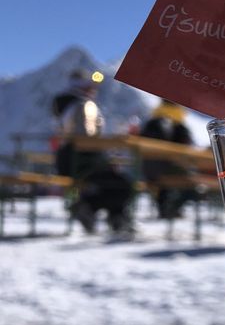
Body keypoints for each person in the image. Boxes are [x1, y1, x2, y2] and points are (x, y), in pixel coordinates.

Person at [53, 69, 134, 234]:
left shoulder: (65, 105)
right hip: (81, 159)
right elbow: (88, 138)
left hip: (69, 158)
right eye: (90, 86)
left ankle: (93, 209)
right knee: (121, 183)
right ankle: (106, 214)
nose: (94, 89)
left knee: (113, 182)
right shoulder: (84, 105)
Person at [140, 100, 195, 219]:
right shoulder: (176, 125)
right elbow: (185, 148)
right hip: (164, 168)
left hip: (149, 169)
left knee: (176, 183)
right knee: (193, 183)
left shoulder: (153, 120)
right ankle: (171, 208)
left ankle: (167, 208)